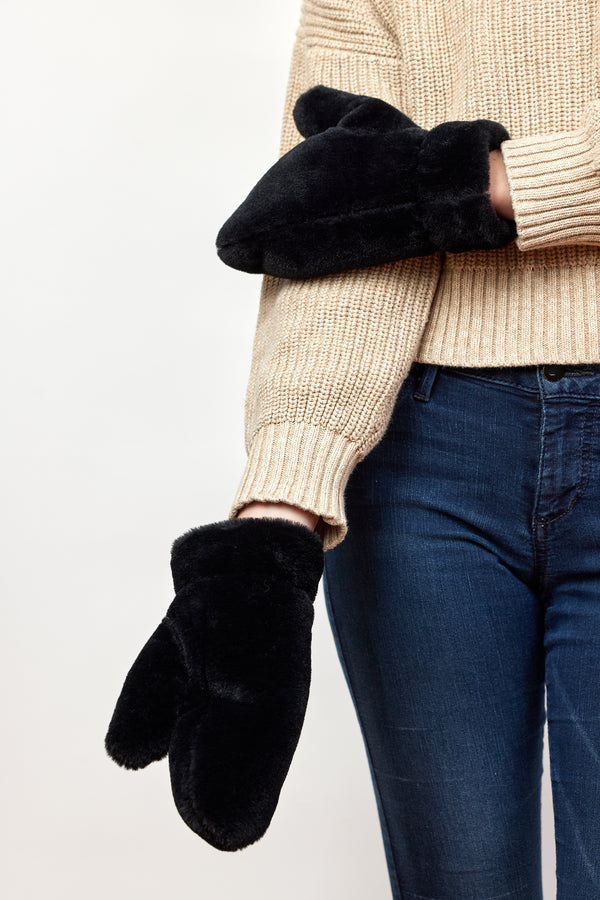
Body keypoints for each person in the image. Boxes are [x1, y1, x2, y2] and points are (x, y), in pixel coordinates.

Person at [231, 0, 600, 897]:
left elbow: (386, 197)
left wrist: (476, 185)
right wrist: (280, 507)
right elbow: (336, 231)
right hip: (425, 449)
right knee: (456, 881)